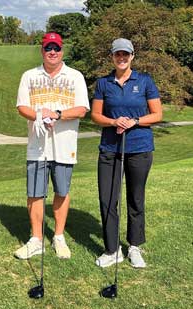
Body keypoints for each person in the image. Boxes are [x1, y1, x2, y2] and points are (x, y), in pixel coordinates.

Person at [14, 32, 90, 259]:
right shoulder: (29, 75)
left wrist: (57, 114)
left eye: (56, 48)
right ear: (42, 51)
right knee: (35, 193)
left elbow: (82, 109)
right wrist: (39, 114)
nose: (53, 52)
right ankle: (36, 238)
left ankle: (58, 236)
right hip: (38, 146)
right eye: (48, 48)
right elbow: (21, 107)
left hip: (65, 145)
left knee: (61, 191)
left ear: (62, 51)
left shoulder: (75, 76)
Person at [91, 38, 162, 268]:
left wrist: (135, 121)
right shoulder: (103, 83)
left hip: (139, 148)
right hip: (110, 149)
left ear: (132, 56)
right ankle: (112, 250)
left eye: (125, 54)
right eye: (117, 54)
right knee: (108, 199)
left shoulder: (144, 81)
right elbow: (96, 115)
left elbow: (157, 114)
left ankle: (134, 247)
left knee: (135, 198)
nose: (121, 58)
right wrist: (114, 121)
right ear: (112, 56)